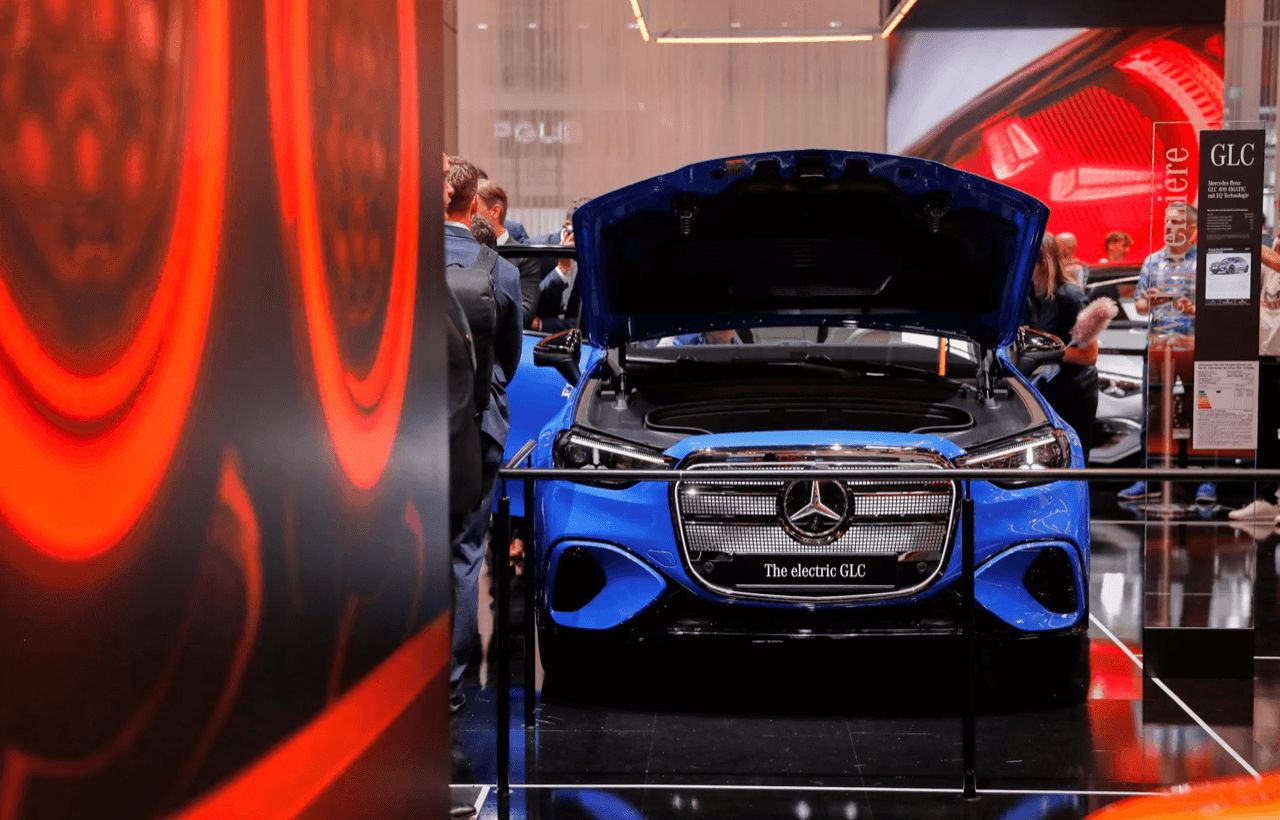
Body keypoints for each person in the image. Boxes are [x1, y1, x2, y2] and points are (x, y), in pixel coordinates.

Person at [444, 156, 523, 713]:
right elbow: (509, 359)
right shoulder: (502, 272)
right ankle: (450, 684)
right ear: (475, 205)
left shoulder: (402, 265)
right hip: (478, 425)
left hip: (410, 430)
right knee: (466, 553)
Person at [1118, 203, 1215, 504]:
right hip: (1159, 348)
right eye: (1166, 222)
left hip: (1194, 348)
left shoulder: (1204, 262)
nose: (1168, 228)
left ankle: (1206, 480)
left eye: (1175, 223)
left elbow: (1217, 306)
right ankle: (1148, 477)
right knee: (1153, 413)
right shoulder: (1152, 261)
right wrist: (1151, 301)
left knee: (1202, 412)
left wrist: (1192, 308)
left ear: (1191, 229)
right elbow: (1139, 305)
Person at [1026, 234, 1099, 461]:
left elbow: (1090, 355)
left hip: (1074, 393)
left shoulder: (1071, 298)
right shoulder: (1027, 296)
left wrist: (1047, 351)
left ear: (1042, 262)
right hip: (1041, 392)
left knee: (1074, 460)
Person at [475, 180, 542, 326]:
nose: (468, 216)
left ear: (495, 211)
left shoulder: (524, 258)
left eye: (474, 210)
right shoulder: (470, 249)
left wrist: (477, 314)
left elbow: (524, 314)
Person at [535, 202, 584, 333]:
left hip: (578, 338)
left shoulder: (594, 253)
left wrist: (543, 324)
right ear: (568, 226)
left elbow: (585, 321)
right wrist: (561, 270)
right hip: (537, 337)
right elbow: (531, 302)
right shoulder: (538, 249)